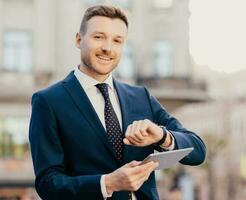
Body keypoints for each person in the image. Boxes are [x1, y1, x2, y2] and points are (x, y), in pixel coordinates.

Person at [29, 5, 206, 200]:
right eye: (98, 37)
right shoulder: (48, 101)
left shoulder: (141, 97)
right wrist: (108, 183)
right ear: (79, 40)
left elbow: (197, 152)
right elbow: (48, 184)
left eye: (117, 40)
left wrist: (162, 136)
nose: (108, 47)